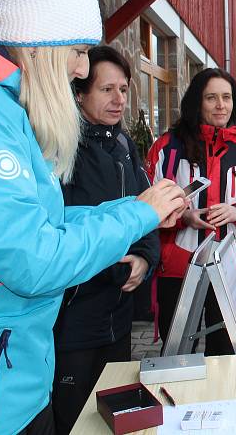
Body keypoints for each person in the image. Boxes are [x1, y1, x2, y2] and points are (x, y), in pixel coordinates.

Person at [0, 0, 185, 435]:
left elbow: (49, 224)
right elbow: (34, 260)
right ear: (36, 43)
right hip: (2, 388)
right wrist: (137, 215)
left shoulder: (11, 110)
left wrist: (135, 208)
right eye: (78, 52)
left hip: (19, 370)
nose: (81, 69)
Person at [51, 46, 160, 434]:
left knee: (112, 417)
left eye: (125, 89)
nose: (119, 100)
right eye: (106, 89)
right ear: (79, 94)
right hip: (73, 321)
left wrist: (145, 260)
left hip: (119, 315)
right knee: (73, 421)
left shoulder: (125, 146)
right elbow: (56, 236)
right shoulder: (60, 150)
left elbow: (146, 216)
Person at [147, 68, 236, 355]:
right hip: (178, 267)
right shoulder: (166, 148)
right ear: (197, 102)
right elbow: (145, 209)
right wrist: (183, 218)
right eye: (211, 98)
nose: (221, 105)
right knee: (177, 355)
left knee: (226, 354)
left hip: (229, 267)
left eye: (227, 97)